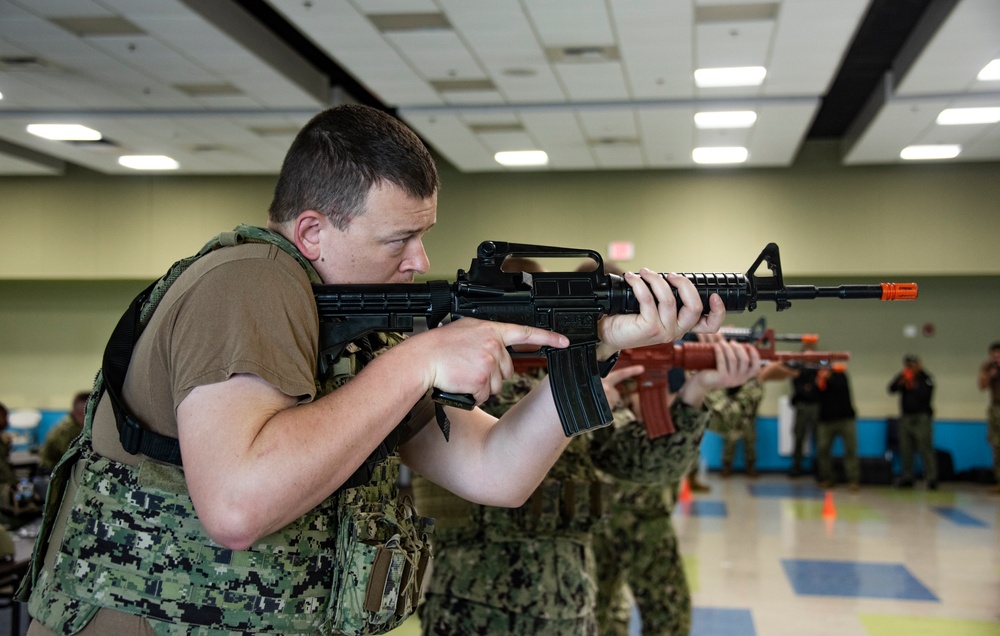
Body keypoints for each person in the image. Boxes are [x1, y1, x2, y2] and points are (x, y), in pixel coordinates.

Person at [19, 104, 727, 636]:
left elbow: (495, 471)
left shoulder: (354, 332)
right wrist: (418, 360)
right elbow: (236, 507)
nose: (419, 260)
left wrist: (598, 341)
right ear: (312, 232)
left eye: (423, 235)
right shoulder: (249, 280)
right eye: (400, 238)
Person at [888, 354, 937, 489]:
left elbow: (927, 394)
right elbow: (891, 389)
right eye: (908, 365)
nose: (910, 367)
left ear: (918, 364)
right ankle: (907, 477)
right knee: (906, 448)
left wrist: (915, 384)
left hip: (921, 417)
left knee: (925, 448)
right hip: (906, 417)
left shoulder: (926, 378)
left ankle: (931, 478)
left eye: (912, 364)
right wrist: (902, 381)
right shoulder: (903, 376)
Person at [816, 364, 860, 490]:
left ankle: (853, 480)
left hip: (845, 419)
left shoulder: (840, 376)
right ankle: (828, 478)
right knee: (823, 449)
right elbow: (814, 395)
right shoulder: (818, 379)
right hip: (825, 420)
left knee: (850, 449)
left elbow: (839, 387)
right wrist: (819, 382)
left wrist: (828, 378)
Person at [788, 341, 821, 477]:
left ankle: (820, 468)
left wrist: (810, 388)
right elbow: (797, 385)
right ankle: (796, 467)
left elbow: (819, 387)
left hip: (816, 406)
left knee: (819, 438)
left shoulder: (819, 369)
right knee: (798, 437)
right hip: (801, 406)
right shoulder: (798, 369)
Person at [38, 391, 88, 473]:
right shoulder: (65, 431)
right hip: (51, 472)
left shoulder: (79, 426)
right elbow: (72, 457)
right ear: (82, 413)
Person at [977, 342, 1000, 493]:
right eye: (993, 354)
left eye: (998, 354)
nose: (995, 357)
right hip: (995, 408)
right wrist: (987, 374)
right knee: (996, 445)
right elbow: (982, 386)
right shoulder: (988, 367)